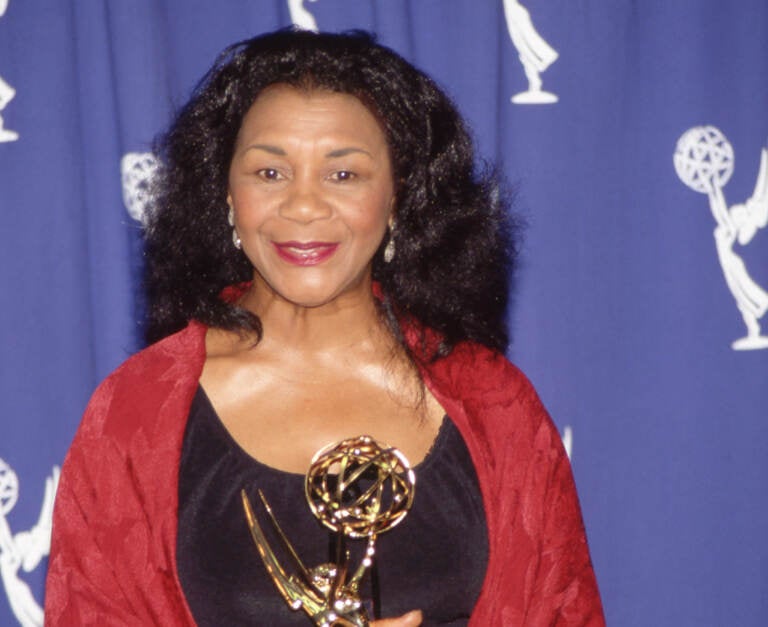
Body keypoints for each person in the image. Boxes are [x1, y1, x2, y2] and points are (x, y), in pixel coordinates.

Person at [45, 29, 605, 626]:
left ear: (398, 198)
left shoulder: (498, 408)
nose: (304, 206)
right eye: (269, 173)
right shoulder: (135, 413)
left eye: (344, 175)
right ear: (226, 195)